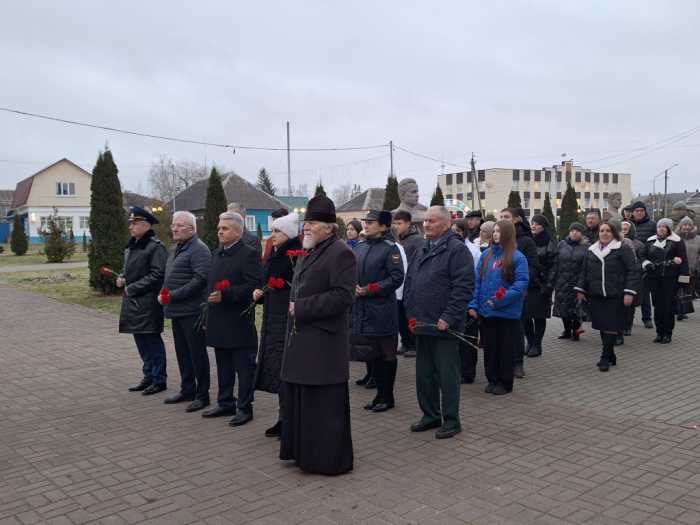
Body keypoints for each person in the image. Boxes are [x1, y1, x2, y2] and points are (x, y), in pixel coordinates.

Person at [280, 195, 357, 475]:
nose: (306, 228)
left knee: (323, 406)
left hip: (324, 343)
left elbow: (343, 297)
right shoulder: (311, 250)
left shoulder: (341, 253)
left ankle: (326, 460)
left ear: (329, 227)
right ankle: (303, 454)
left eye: (312, 223)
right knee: (304, 401)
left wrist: (301, 308)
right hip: (304, 340)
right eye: (306, 223)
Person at [403, 206, 474, 439]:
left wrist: (448, 317)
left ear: (446, 224)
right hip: (422, 324)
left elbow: (463, 288)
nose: (426, 224)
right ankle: (430, 415)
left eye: (431, 221)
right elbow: (410, 283)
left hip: (444, 326)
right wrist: (410, 314)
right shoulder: (422, 248)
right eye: (425, 221)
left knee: (447, 376)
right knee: (424, 376)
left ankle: (452, 421)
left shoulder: (457, 250)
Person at [201, 212, 263, 426]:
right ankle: (225, 402)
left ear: (238, 231)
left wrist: (226, 295)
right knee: (223, 365)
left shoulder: (249, 254)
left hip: (238, 321)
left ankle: (245, 408)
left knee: (244, 368)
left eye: (225, 228)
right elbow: (210, 283)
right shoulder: (217, 253)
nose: (219, 231)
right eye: (219, 228)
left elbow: (253, 286)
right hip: (218, 319)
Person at [254, 212, 301, 438]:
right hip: (273, 320)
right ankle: (283, 418)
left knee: (288, 371)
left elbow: (296, 286)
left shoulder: (295, 255)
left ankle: (292, 421)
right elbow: (268, 282)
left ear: (288, 234)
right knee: (279, 371)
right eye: (272, 230)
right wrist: (261, 293)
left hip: (285, 320)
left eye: (277, 231)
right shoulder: (276, 253)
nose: (272, 235)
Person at [353, 210, 405, 412]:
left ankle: (387, 396)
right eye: (365, 221)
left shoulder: (390, 249)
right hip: (363, 309)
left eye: (371, 222)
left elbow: (396, 278)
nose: (366, 225)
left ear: (383, 226)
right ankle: (378, 395)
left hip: (382, 310)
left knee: (386, 354)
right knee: (373, 353)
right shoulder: (361, 247)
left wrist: (370, 289)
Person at [469, 220, 529, 394]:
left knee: (505, 350)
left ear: (508, 234)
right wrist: (474, 304)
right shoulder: (486, 255)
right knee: (490, 349)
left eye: (499, 231)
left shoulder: (517, 257)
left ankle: (505, 382)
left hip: (506, 313)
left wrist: (499, 300)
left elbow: (520, 284)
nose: (495, 234)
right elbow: (477, 281)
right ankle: (492, 379)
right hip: (486, 312)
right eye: (494, 231)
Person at [161, 211, 212, 412]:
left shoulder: (199, 249)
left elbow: (200, 279)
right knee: (183, 353)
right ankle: (188, 389)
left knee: (197, 354)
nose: (175, 228)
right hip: (177, 311)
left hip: (192, 311)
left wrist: (172, 296)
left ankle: (203, 395)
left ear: (192, 228)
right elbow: (170, 277)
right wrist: (165, 293)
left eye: (180, 225)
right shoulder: (176, 248)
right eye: (173, 225)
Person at [118, 207, 169, 396]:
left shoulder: (155, 247)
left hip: (148, 302)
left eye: (134, 223)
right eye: (130, 223)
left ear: (146, 225)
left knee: (152, 341)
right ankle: (148, 376)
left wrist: (133, 287)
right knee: (141, 342)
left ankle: (159, 379)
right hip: (133, 303)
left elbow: (158, 275)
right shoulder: (132, 245)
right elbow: (129, 269)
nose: (130, 227)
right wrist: (122, 277)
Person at [575, 222, 639, 371]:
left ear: (614, 233)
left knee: (610, 326)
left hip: (615, 294)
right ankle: (611, 355)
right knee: (602, 326)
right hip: (596, 294)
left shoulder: (623, 249)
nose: (604, 233)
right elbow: (584, 272)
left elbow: (633, 271)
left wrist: (629, 292)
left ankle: (604, 357)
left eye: (608, 231)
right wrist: (580, 289)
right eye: (602, 231)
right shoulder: (591, 250)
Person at [499, 208, 539, 379]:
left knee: (516, 328)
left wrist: (518, 286)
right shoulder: (498, 240)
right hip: (498, 291)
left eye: (506, 217)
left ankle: (517, 363)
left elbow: (533, 267)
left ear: (516, 219)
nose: (503, 219)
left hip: (517, 292)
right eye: (501, 216)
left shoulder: (526, 241)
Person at [640, 218, 689, 343]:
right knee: (657, 306)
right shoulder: (650, 241)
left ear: (669, 229)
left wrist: (683, 281)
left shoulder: (677, 242)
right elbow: (642, 255)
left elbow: (684, 261)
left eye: (664, 227)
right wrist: (647, 263)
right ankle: (659, 332)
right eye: (659, 226)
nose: (661, 229)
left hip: (670, 280)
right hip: (654, 279)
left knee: (668, 307)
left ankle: (667, 333)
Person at [523, 215, 557, 357]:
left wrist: (549, 285)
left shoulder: (550, 243)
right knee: (525, 316)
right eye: (532, 223)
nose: (533, 226)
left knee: (538, 316)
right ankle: (530, 341)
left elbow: (554, 266)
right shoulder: (527, 241)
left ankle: (537, 344)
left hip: (541, 285)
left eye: (537, 223)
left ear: (543, 226)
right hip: (527, 284)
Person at [392, 210, 424, 358]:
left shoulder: (417, 240)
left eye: (399, 223)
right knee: (400, 316)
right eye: (395, 223)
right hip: (399, 285)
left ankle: (414, 345)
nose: (396, 226)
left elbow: (417, 262)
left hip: (411, 283)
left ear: (408, 224)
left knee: (409, 315)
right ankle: (405, 342)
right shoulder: (398, 240)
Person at [553, 223, 588, 340]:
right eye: (572, 230)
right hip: (562, 281)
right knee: (563, 307)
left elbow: (587, 266)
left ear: (582, 233)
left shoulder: (586, 247)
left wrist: (583, 284)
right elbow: (556, 262)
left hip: (577, 282)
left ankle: (576, 331)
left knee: (577, 308)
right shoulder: (562, 244)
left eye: (577, 230)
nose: (574, 232)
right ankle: (567, 330)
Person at [631, 201, 656, 329]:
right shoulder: (628, 224)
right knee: (630, 291)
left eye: (642, 210)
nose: (639, 213)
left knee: (645, 292)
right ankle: (628, 320)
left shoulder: (652, 225)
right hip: (630, 262)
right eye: (637, 211)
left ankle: (647, 318)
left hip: (645, 261)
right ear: (633, 212)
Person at [620, 221, 644, 336]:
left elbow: (641, 260)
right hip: (619, 278)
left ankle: (628, 326)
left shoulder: (638, 245)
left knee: (630, 305)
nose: (623, 232)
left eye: (625, 229)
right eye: (621, 229)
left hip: (632, 277)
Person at [677, 216, 700, 318]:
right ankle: (680, 311)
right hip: (679, 269)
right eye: (684, 225)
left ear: (692, 226)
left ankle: (683, 310)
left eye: (689, 225)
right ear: (680, 226)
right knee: (680, 289)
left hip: (692, 268)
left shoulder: (698, 239)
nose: (686, 227)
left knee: (688, 290)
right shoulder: (676, 238)